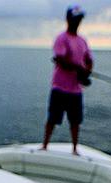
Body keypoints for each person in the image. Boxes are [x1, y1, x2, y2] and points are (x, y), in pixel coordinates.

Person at [41, 5, 93, 155]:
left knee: (75, 121)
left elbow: (89, 59)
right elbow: (60, 59)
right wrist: (79, 68)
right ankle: (45, 146)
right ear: (68, 19)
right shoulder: (61, 38)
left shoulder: (82, 41)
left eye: (79, 19)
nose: (77, 21)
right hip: (60, 87)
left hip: (76, 90)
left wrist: (87, 71)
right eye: (75, 18)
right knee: (52, 118)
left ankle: (75, 149)